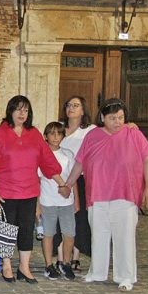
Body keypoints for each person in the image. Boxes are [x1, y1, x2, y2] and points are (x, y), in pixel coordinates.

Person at [65, 98, 148, 292]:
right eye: (113, 118)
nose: (118, 122)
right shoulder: (92, 136)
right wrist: (68, 184)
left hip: (125, 194)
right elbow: (80, 162)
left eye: (121, 117)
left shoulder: (133, 133)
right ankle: (97, 272)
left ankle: (126, 276)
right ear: (103, 118)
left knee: (124, 237)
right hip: (97, 193)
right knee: (99, 234)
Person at [0, 95, 68, 284]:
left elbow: (47, 161)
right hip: (6, 192)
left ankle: (24, 267)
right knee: (7, 230)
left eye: (26, 110)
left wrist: (62, 183)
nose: (22, 113)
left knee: (26, 230)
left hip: (29, 191)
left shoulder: (34, 134)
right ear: (10, 111)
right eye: (18, 109)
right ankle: (7, 265)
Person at [57, 95, 95, 270]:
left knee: (79, 217)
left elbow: (111, 132)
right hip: (60, 178)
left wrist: (129, 126)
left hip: (80, 179)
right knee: (60, 217)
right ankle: (60, 254)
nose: (71, 108)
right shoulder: (58, 129)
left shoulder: (90, 130)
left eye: (76, 105)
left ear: (82, 109)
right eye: (68, 105)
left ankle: (76, 257)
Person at [38, 122, 79, 281]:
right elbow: (37, 180)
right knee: (48, 234)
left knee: (69, 234)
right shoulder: (41, 155)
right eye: (52, 133)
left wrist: (76, 200)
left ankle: (65, 263)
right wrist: (37, 205)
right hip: (47, 200)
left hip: (66, 201)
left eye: (59, 134)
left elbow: (73, 178)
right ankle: (48, 265)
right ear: (46, 136)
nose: (56, 137)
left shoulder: (68, 154)